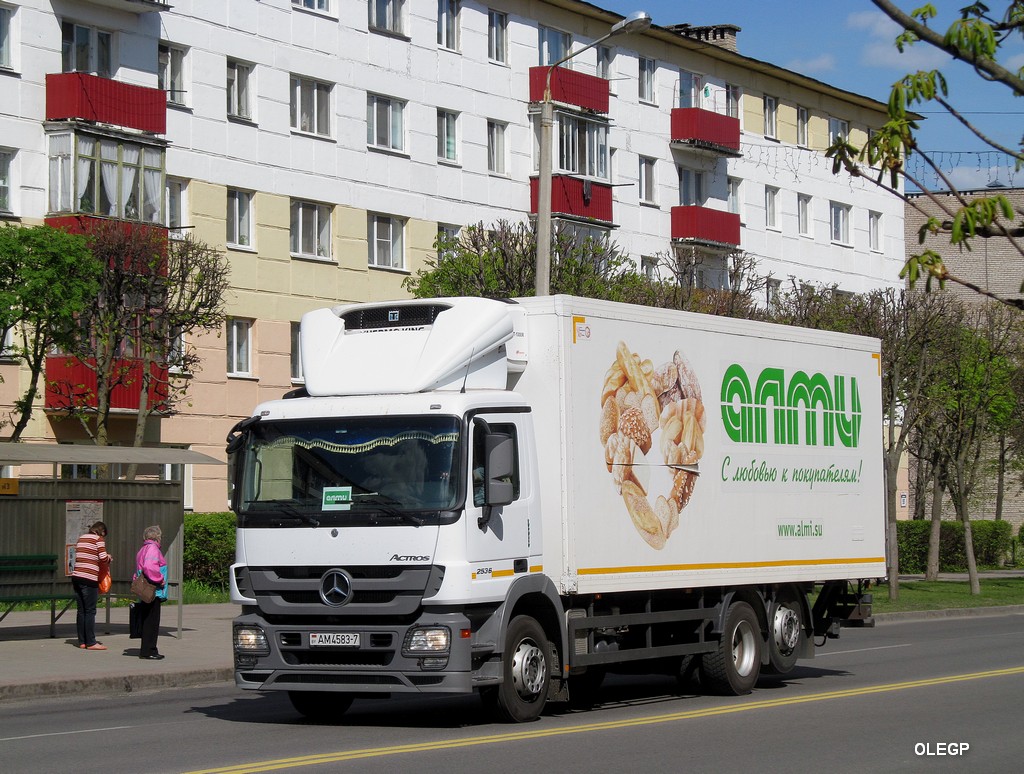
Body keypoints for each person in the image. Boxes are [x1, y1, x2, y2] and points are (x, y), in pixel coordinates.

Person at [71, 521, 112, 651]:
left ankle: (82, 641)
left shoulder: (81, 538)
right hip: (89, 578)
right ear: (102, 531)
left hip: (76, 577)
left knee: (81, 610)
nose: (104, 537)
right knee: (90, 610)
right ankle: (91, 642)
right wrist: (109, 557)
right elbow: (103, 558)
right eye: (104, 534)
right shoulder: (98, 539)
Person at [134, 525, 168, 660]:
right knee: (152, 621)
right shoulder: (153, 549)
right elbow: (149, 567)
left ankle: (148, 649)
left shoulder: (143, 549)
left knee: (147, 619)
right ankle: (149, 650)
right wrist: (159, 579)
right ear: (157, 536)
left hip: (144, 589)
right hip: (153, 589)